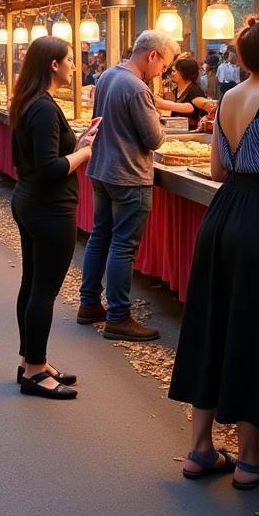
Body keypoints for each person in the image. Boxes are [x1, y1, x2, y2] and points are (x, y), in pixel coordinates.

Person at [169, 14, 259, 489]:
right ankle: (251, 458)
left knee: (213, 322)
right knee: (256, 328)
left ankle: (200, 449)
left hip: (223, 214)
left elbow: (215, 169)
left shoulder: (230, 97)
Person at [10, 38, 95, 400]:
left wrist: (77, 145)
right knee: (43, 290)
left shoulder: (29, 101)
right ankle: (33, 369)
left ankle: (33, 361)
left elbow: (41, 158)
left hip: (31, 201)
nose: (74, 66)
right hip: (49, 206)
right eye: (70, 61)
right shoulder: (43, 107)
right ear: (53, 65)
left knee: (32, 284)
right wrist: (86, 153)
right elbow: (49, 167)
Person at [77, 30, 177, 340]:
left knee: (100, 237)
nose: (163, 72)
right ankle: (118, 317)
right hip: (129, 175)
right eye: (164, 65)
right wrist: (159, 119)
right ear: (152, 56)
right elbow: (154, 139)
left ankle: (89, 303)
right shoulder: (136, 88)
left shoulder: (108, 75)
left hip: (102, 169)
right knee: (123, 246)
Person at [158, 57, 214, 130]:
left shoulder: (194, 91)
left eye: (174, 71)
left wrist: (160, 103)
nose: (172, 74)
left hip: (193, 133)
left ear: (183, 73)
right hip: (179, 130)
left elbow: (191, 107)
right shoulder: (177, 89)